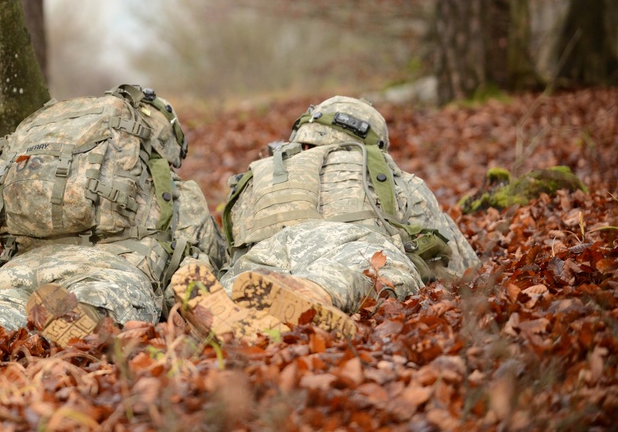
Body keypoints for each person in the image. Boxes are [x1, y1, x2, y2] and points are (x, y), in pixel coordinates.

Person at [172, 95, 480, 342]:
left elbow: (231, 245)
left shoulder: (262, 173)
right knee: (378, 269)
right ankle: (312, 292)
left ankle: (227, 307)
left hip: (262, 257)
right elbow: (464, 265)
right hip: (349, 246)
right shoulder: (382, 169)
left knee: (244, 281)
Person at [0, 86, 228, 347]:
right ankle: (83, 318)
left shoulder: (46, 135)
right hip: (110, 268)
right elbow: (209, 254)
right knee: (106, 300)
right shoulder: (171, 188)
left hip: (21, 265)